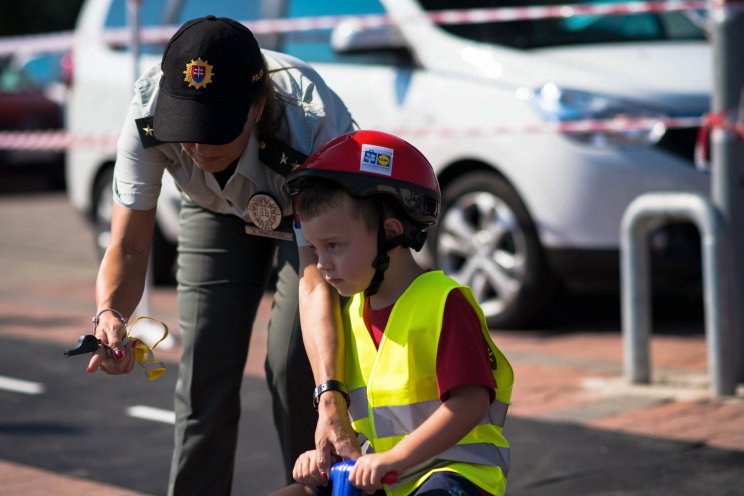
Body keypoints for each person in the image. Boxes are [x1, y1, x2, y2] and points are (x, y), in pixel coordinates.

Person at [83, 15, 358, 495]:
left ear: (255, 108)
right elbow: (128, 242)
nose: (195, 145)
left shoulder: (310, 124)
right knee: (203, 373)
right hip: (213, 211)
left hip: (307, 224)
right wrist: (111, 314)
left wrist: (331, 394)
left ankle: (317, 487)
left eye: (213, 129)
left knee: (294, 365)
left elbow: (316, 277)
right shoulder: (147, 114)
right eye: (185, 126)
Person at [273, 130, 514, 496]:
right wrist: (323, 459)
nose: (322, 264)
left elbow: (470, 403)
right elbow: (373, 426)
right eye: (317, 248)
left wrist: (396, 458)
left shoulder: (443, 301)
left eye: (334, 246)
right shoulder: (352, 312)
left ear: (391, 233)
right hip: (389, 477)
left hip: (454, 475)